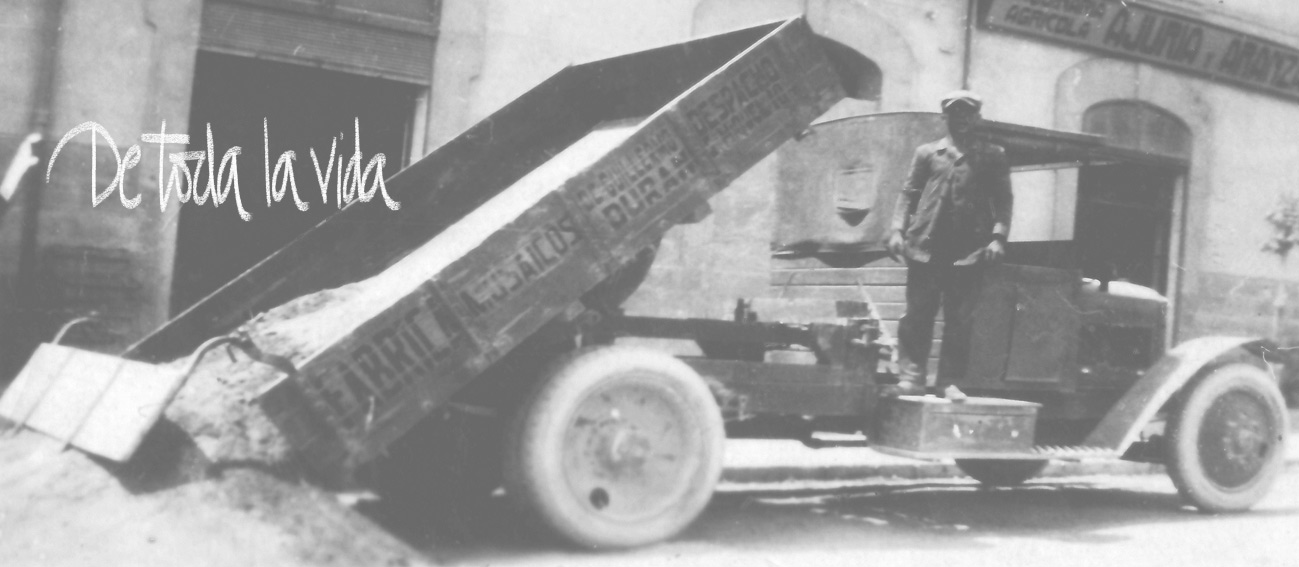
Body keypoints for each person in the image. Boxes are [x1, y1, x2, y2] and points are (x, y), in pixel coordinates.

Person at [885, 90, 1013, 395]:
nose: (962, 118)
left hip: (968, 251)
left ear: (977, 117)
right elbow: (909, 193)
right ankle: (912, 379)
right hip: (925, 247)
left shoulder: (992, 155)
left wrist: (998, 237)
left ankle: (949, 382)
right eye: (955, 112)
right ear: (945, 116)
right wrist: (896, 229)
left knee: (960, 319)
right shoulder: (927, 153)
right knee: (918, 315)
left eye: (968, 112)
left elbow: (1004, 199)